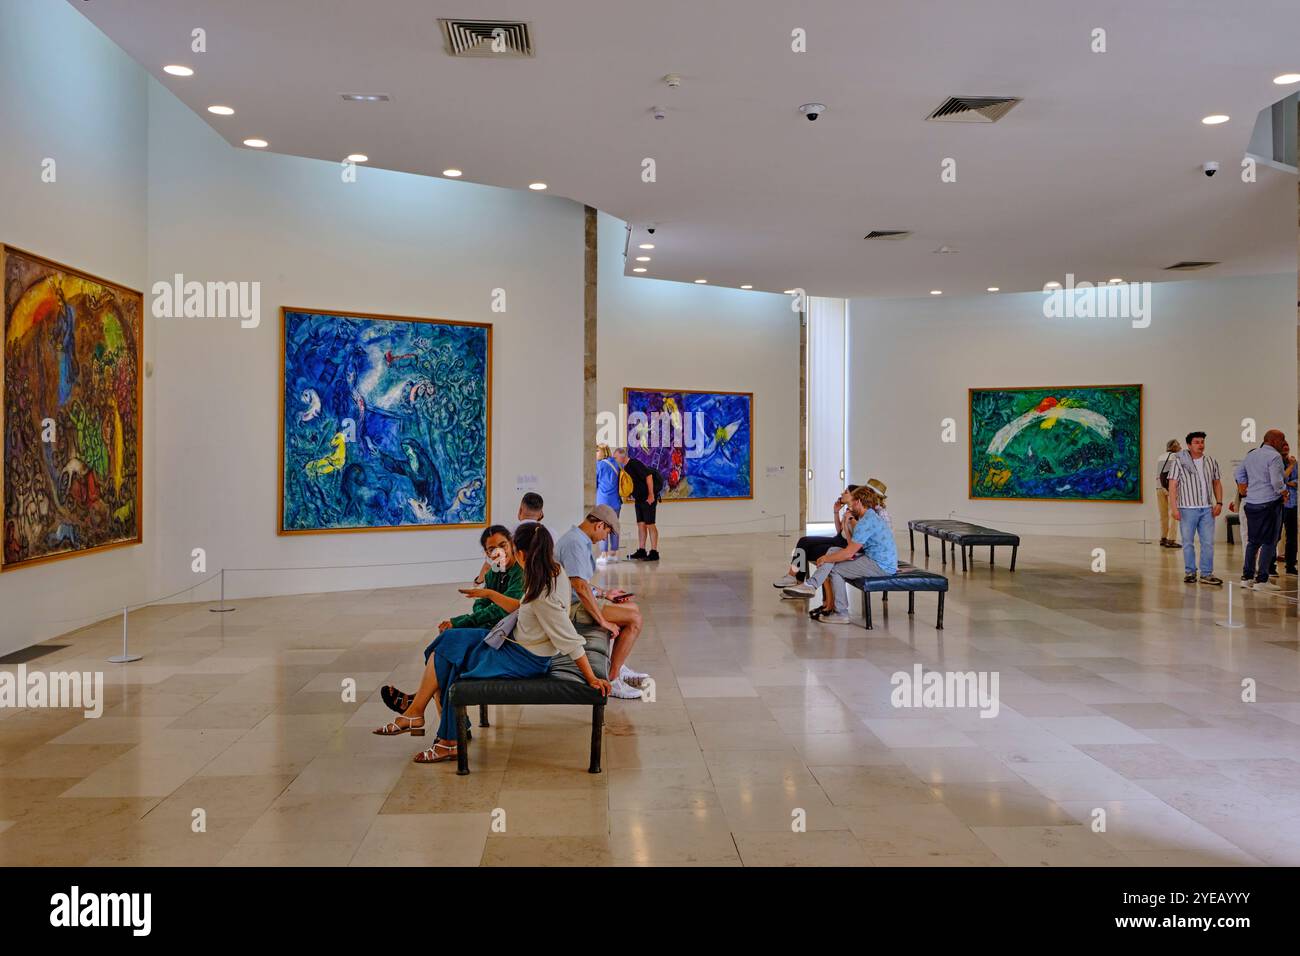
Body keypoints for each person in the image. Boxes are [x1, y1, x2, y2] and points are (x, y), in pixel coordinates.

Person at [374, 522, 611, 763]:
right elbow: (523, 608)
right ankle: (423, 718)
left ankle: (438, 732)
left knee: (450, 658)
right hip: (515, 643)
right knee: (445, 641)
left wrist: (591, 678)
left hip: (524, 659)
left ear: (520, 553)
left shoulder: (543, 594)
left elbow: (567, 637)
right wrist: (490, 594)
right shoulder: (552, 570)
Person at [380, 525, 524, 714]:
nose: (499, 552)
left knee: (444, 648)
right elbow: (480, 605)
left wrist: (460, 621)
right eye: (491, 549)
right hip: (492, 630)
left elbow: (499, 611)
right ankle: (432, 715)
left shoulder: (519, 573)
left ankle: (421, 707)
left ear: (512, 543)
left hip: (505, 637)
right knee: (444, 649)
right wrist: (478, 608)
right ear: (486, 553)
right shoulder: (493, 573)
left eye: (503, 545)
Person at [555, 505, 648, 698]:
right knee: (634, 619)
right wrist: (602, 621)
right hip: (569, 608)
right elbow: (580, 587)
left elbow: (580, 583)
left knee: (631, 607)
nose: (605, 538)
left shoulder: (579, 540)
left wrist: (606, 594)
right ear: (599, 525)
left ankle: (617, 667)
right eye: (607, 531)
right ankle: (612, 679)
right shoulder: (575, 543)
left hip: (574, 601)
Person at [782, 486, 898, 624]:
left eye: (851, 501)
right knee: (831, 551)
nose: (850, 506)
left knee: (834, 569)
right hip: (875, 559)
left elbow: (849, 552)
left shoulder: (865, 522)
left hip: (880, 565)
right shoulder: (869, 516)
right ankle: (809, 585)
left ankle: (840, 612)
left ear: (858, 502)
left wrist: (827, 559)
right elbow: (850, 545)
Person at [1234, 429, 1289, 591]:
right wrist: (1283, 491)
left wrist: (1244, 489)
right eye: (1282, 440)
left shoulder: (1252, 455)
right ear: (1272, 441)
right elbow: (1276, 482)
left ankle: (1247, 577)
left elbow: (1239, 473)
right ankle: (1262, 580)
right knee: (1269, 541)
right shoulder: (1274, 456)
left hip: (1251, 503)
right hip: (1270, 504)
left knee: (1253, 541)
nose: (1284, 443)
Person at [773, 485, 859, 588]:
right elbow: (839, 531)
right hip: (837, 540)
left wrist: (848, 522)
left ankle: (797, 581)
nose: (842, 494)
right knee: (804, 541)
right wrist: (836, 512)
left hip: (843, 546)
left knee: (806, 551)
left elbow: (854, 540)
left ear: (853, 496)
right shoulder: (848, 511)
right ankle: (793, 578)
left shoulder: (856, 515)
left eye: (846, 492)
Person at [1168, 431, 1224, 587]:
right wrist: (1174, 508)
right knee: (1187, 542)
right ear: (1189, 445)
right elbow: (1173, 486)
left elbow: (1217, 483)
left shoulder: (1211, 461)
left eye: (1202, 442)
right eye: (1197, 442)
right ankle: (1190, 572)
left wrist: (1219, 503)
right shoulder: (1179, 461)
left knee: (1208, 542)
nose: (1200, 445)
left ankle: (1206, 573)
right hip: (1187, 508)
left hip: (1206, 509)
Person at [473, 492, 545, 584]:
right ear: (541, 514)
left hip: (512, 582)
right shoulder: (550, 534)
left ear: (520, 510)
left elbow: (491, 564)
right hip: (540, 583)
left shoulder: (507, 533)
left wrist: (478, 582)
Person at [614, 448, 660, 561]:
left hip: (647, 498)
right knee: (641, 524)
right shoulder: (625, 468)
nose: (615, 459)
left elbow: (648, 476)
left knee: (650, 524)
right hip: (639, 499)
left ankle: (654, 552)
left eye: (615, 457)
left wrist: (651, 495)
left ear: (622, 456)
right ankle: (641, 550)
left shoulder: (634, 463)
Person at [595, 445, 624, 564]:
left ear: (602, 452)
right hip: (616, 502)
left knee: (602, 527)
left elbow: (594, 483)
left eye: (597, 451)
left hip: (603, 501)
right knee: (614, 526)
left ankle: (603, 554)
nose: (595, 453)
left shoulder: (599, 465)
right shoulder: (618, 464)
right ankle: (613, 553)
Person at [1155, 438, 1182, 549]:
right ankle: (1171, 540)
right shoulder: (1176, 457)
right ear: (1174, 447)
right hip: (1170, 488)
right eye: (1179, 445)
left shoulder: (1160, 457)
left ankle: (1163, 538)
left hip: (1158, 487)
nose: (1180, 447)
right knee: (1174, 514)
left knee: (1163, 514)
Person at [1280, 442, 1298, 575]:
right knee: (1274, 537)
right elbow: (1280, 480)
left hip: (1292, 504)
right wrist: (1290, 468)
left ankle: (1291, 566)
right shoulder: (1276, 463)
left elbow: (1297, 480)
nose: (1286, 449)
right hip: (1279, 505)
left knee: (1292, 537)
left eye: (1287, 447)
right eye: (1283, 447)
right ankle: (1270, 566)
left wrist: (1291, 482)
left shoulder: (1295, 463)